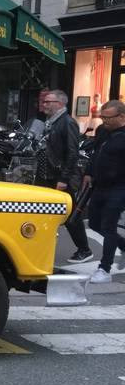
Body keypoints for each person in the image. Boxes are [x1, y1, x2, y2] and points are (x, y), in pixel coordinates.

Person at [37, 90, 93, 264]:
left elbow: (72, 153)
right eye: (44, 101)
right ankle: (41, 249)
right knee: (44, 213)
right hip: (47, 175)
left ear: (59, 103)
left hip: (60, 177)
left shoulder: (67, 122)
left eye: (48, 101)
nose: (44, 104)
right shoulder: (52, 122)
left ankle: (84, 249)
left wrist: (63, 178)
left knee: (69, 214)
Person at [83, 100, 125, 283]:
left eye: (108, 118)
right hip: (99, 186)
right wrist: (88, 173)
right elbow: (95, 153)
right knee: (94, 223)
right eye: (102, 117)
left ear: (121, 117)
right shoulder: (102, 132)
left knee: (108, 227)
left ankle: (104, 269)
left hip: (120, 188)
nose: (104, 121)